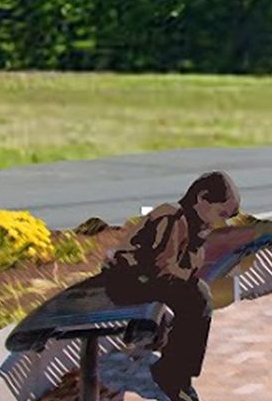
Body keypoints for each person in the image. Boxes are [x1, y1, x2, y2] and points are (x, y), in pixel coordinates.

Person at [97, 172, 241, 401]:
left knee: (197, 295)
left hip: (146, 280)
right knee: (196, 298)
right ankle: (174, 375)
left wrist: (198, 243)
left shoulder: (193, 224)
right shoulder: (172, 217)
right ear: (202, 198)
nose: (220, 222)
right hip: (127, 282)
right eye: (221, 213)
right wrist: (190, 272)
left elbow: (186, 268)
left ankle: (178, 374)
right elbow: (164, 268)